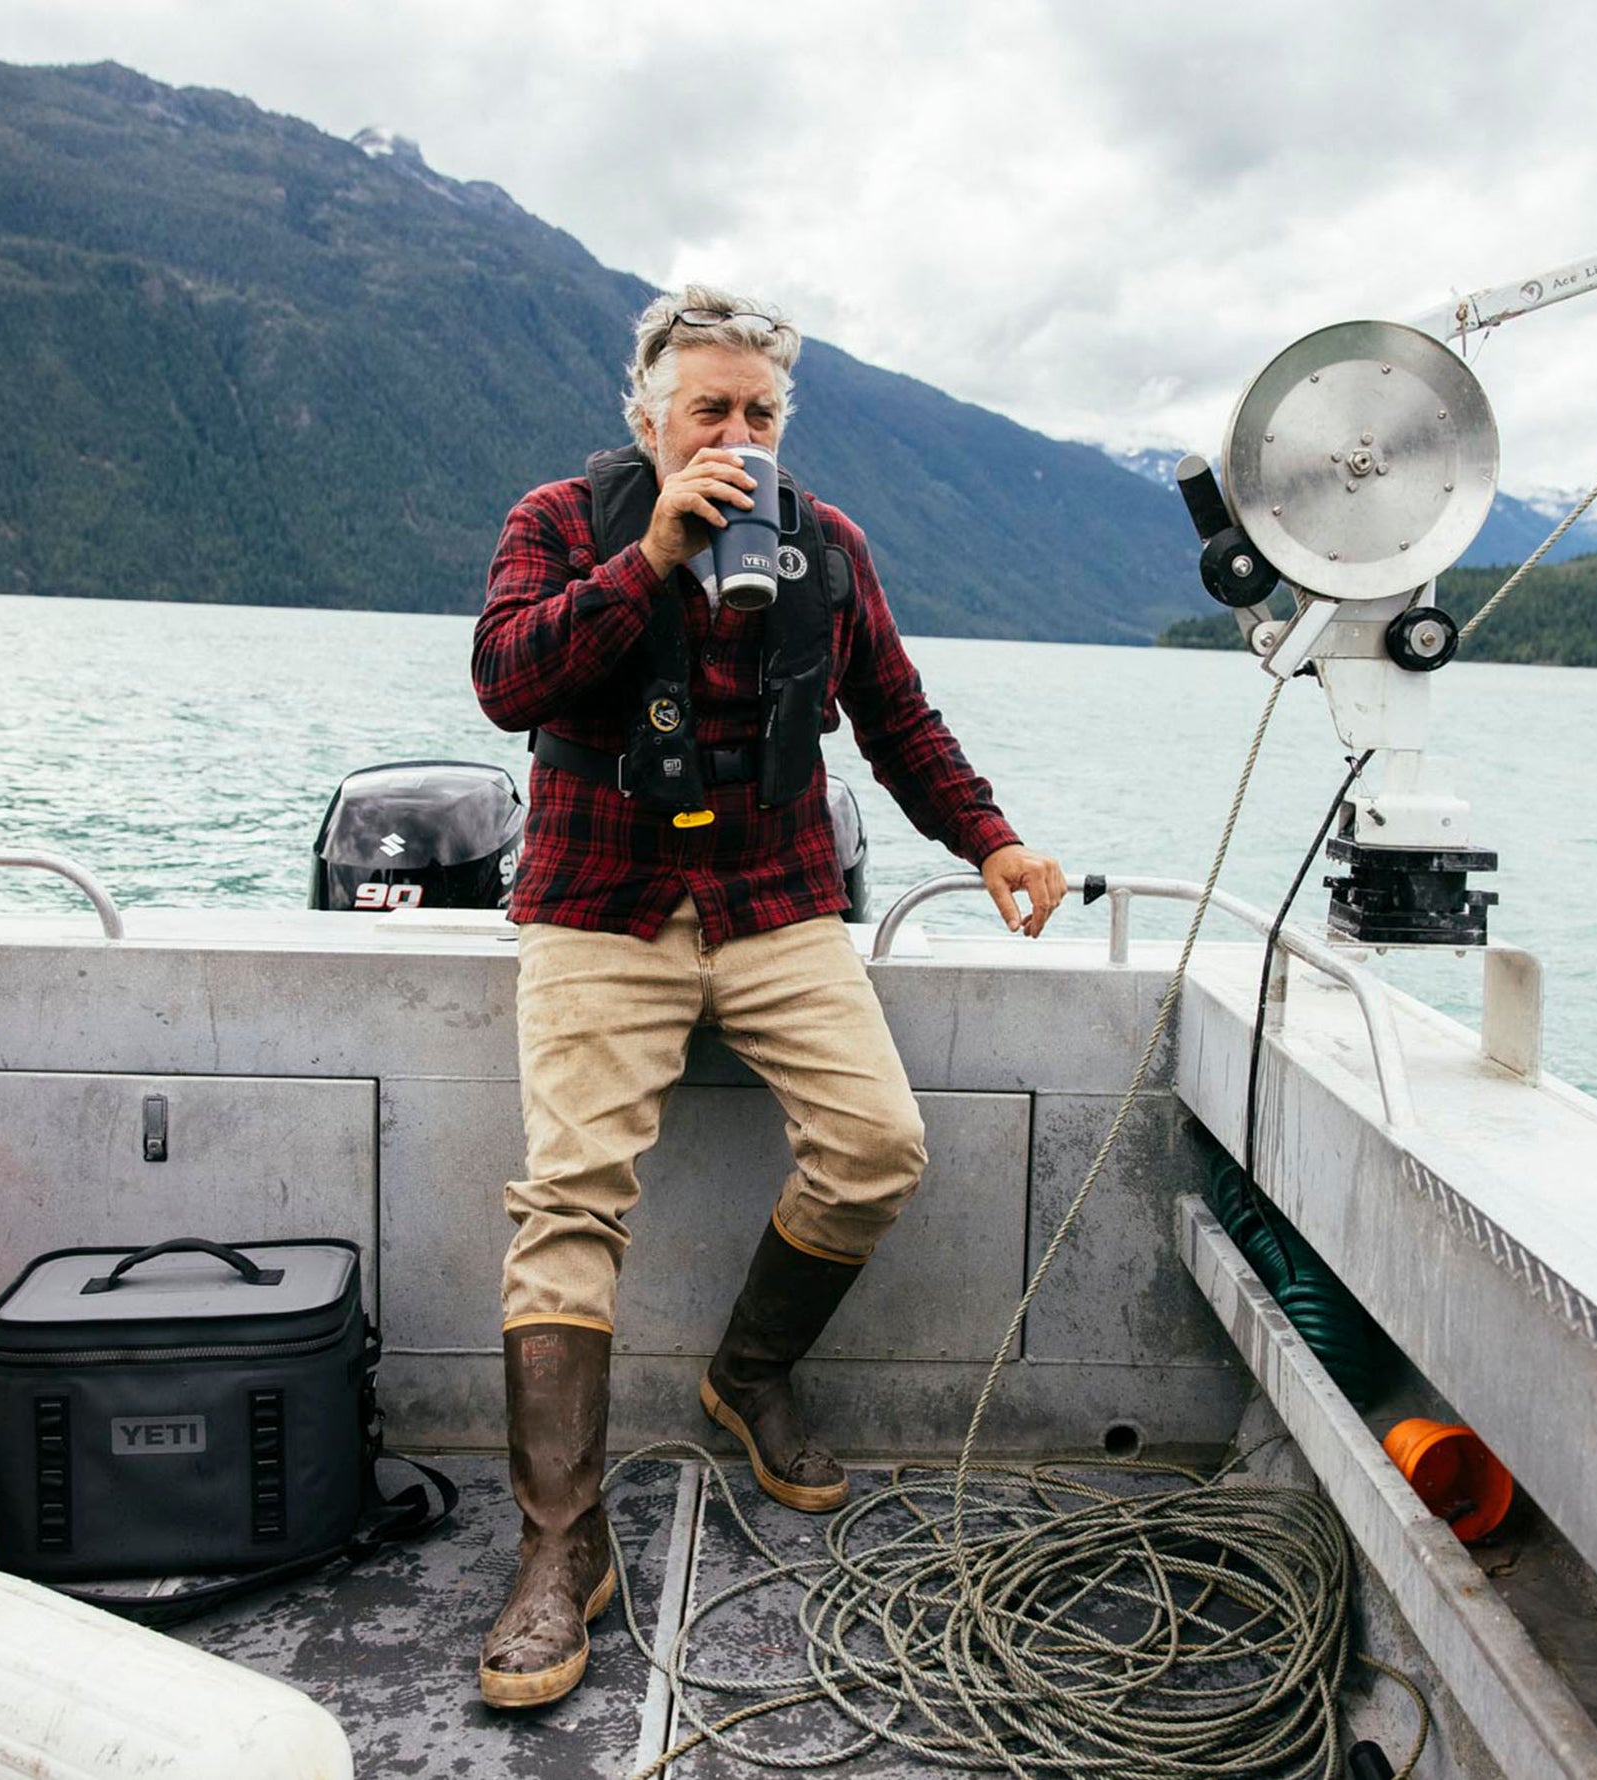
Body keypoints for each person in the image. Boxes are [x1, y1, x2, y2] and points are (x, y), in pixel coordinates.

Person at [469, 286, 1066, 1709]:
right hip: (600, 897)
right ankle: (561, 1546)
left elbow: (899, 717)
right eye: (708, 412)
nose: (735, 435)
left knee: (878, 1147)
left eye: (758, 413)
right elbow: (505, 680)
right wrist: (654, 559)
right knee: (569, 1199)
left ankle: (748, 1373)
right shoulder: (561, 520)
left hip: (775, 895)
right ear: (649, 420)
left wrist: (990, 840)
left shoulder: (828, 544)